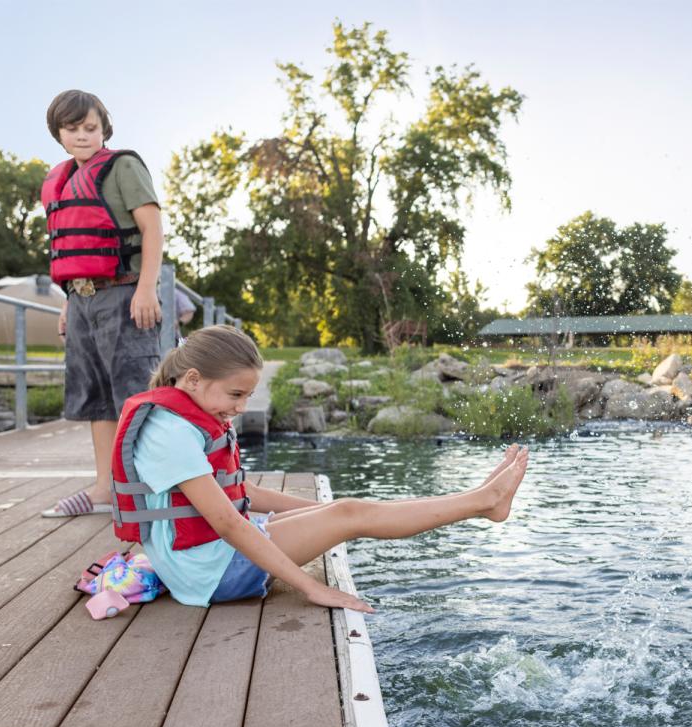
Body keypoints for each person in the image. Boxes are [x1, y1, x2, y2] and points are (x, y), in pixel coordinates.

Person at [111, 325, 530, 609]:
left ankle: (478, 499)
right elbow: (227, 523)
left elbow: (245, 495)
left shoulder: (182, 415)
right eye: (236, 395)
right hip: (211, 573)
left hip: (208, 560)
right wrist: (309, 587)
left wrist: (315, 514)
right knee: (351, 514)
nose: (240, 409)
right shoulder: (171, 432)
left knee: (342, 509)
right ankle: (483, 502)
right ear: (192, 379)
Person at [41, 90, 164, 517]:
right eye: (72, 129)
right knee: (96, 398)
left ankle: (151, 490)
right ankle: (104, 487)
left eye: (90, 128)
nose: (82, 136)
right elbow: (69, 251)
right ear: (59, 133)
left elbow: (152, 229)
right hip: (82, 300)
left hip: (125, 293)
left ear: (103, 127)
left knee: (136, 393)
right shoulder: (59, 179)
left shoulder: (123, 167)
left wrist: (147, 287)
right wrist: (67, 303)